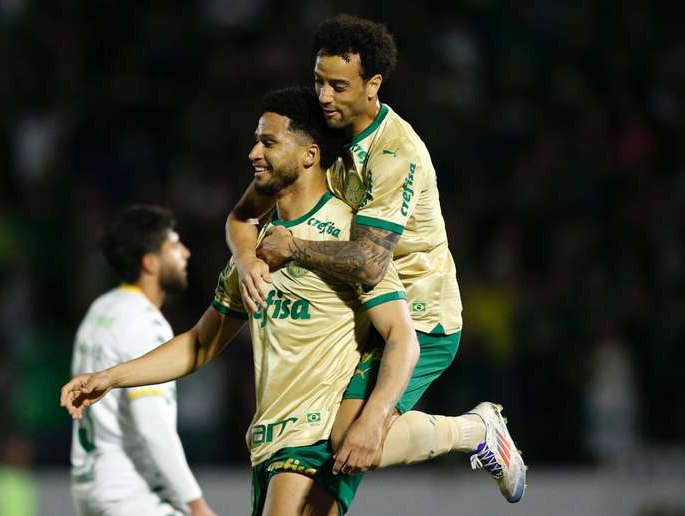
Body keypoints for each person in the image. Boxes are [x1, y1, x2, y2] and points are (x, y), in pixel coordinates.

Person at [62, 86, 420, 516]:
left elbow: (403, 337)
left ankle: (472, 431)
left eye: (268, 142)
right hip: (270, 444)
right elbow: (200, 344)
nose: (253, 152)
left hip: (315, 442)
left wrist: (371, 418)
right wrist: (111, 378)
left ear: (309, 155)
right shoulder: (257, 252)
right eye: (256, 140)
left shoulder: (347, 235)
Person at [225, 14, 526, 502]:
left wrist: (293, 246)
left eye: (339, 86)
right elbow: (241, 217)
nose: (324, 96)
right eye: (319, 81)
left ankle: (476, 431)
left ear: (373, 85)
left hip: (418, 317)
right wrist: (246, 259)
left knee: (350, 436)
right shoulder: (322, 132)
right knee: (325, 461)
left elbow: (369, 261)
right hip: (360, 319)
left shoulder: (395, 152)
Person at [68, 205, 216, 516]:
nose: (186, 253)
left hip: (89, 486)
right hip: (131, 493)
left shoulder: (101, 309)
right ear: (150, 262)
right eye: (174, 245)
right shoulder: (145, 324)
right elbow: (152, 426)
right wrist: (197, 505)